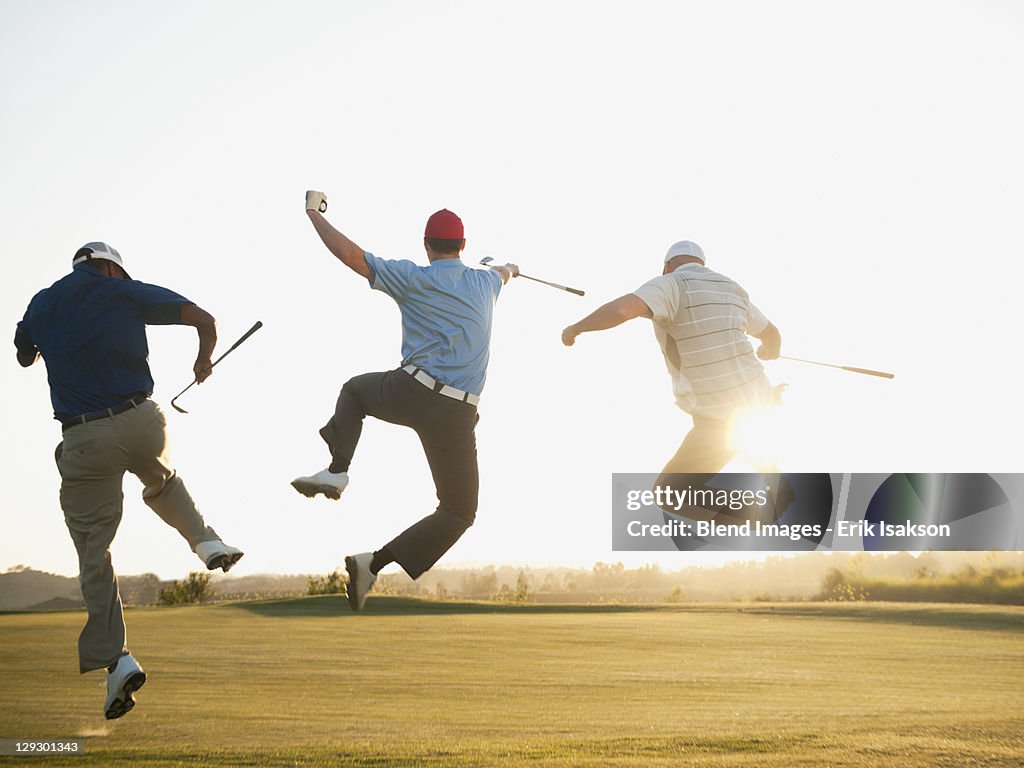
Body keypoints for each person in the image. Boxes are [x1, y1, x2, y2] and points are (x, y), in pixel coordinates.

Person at [14, 242, 244, 720]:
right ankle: (207, 541)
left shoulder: (42, 301)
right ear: (112, 268)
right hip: (142, 419)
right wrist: (203, 362)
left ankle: (117, 662)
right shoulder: (125, 291)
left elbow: (22, 354)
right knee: (162, 481)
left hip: (86, 434)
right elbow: (205, 319)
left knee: (93, 552)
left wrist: (45, 346)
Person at [293, 191, 517, 611]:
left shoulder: (414, 276)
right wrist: (509, 268)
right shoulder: (487, 283)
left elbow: (349, 254)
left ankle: (340, 478)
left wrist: (313, 214)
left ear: (426, 245)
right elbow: (505, 271)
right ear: (464, 246)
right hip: (458, 413)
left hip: (414, 392)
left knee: (355, 391)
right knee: (458, 512)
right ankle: (376, 564)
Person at [561, 240, 782, 479]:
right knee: (774, 486)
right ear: (702, 264)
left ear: (666, 266)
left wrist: (576, 328)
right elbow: (772, 335)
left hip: (719, 418)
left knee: (669, 493)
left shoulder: (670, 285)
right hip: (761, 406)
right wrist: (769, 351)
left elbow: (622, 310)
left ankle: (751, 515)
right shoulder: (731, 288)